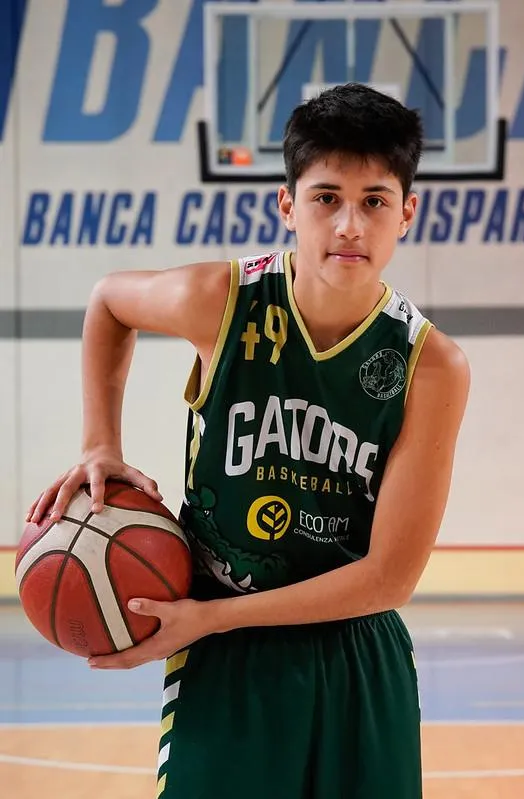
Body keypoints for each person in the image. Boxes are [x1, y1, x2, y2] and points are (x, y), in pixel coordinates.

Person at [28, 83, 470, 798]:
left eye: (374, 201)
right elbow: (109, 299)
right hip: (226, 651)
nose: (349, 224)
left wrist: (209, 618)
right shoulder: (221, 301)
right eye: (325, 198)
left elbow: (390, 578)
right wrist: (98, 444)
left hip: (352, 643)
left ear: (406, 214)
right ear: (286, 206)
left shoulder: (430, 364)